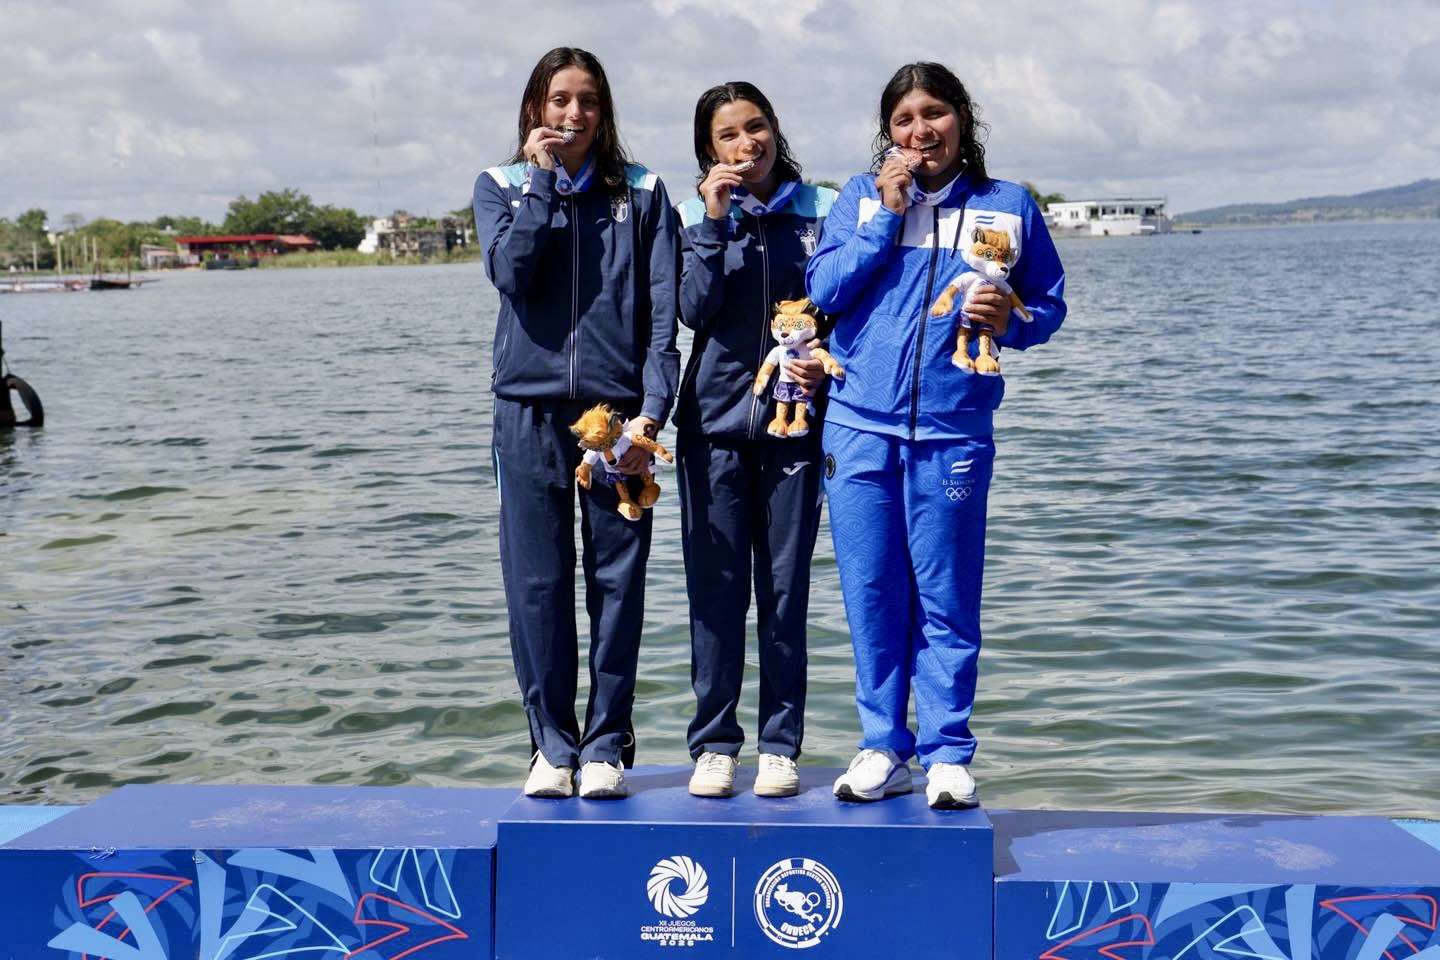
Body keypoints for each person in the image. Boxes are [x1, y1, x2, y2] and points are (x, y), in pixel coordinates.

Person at [806, 62, 1066, 809]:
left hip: (954, 430)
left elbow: (1047, 307)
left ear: (963, 119)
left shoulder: (1008, 205)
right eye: (904, 120)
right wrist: (885, 218)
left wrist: (1009, 321)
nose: (921, 132)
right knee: (872, 592)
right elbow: (822, 293)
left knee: (948, 595)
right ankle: (882, 746)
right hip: (857, 429)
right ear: (888, 133)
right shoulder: (858, 198)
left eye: (935, 114)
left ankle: (948, 752)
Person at [473, 47, 679, 800]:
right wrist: (541, 186)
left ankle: (605, 745)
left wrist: (652, 415)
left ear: (605, 111)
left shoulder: (645, 193)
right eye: (559, 100)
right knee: (536, 584)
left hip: (618, 418)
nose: (574, 114)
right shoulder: (498, 186)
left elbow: (662, 321)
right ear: (535, 109)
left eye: (588, 100)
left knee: (617, 583)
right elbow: (510, 273)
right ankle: (550, 747)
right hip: (523, 411)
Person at [674, 82, 837, 799]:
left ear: (776, 129)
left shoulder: (824, 209)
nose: (747, 145)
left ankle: (779, 744)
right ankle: (714, 743)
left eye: (756, 127)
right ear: (709, 150)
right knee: (715, 591)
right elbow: (688, 311)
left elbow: (844, 302)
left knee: (784, 588)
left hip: (794, 427)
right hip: (712, 426)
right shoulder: (690, 214)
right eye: (728, 135)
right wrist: (713, 224)